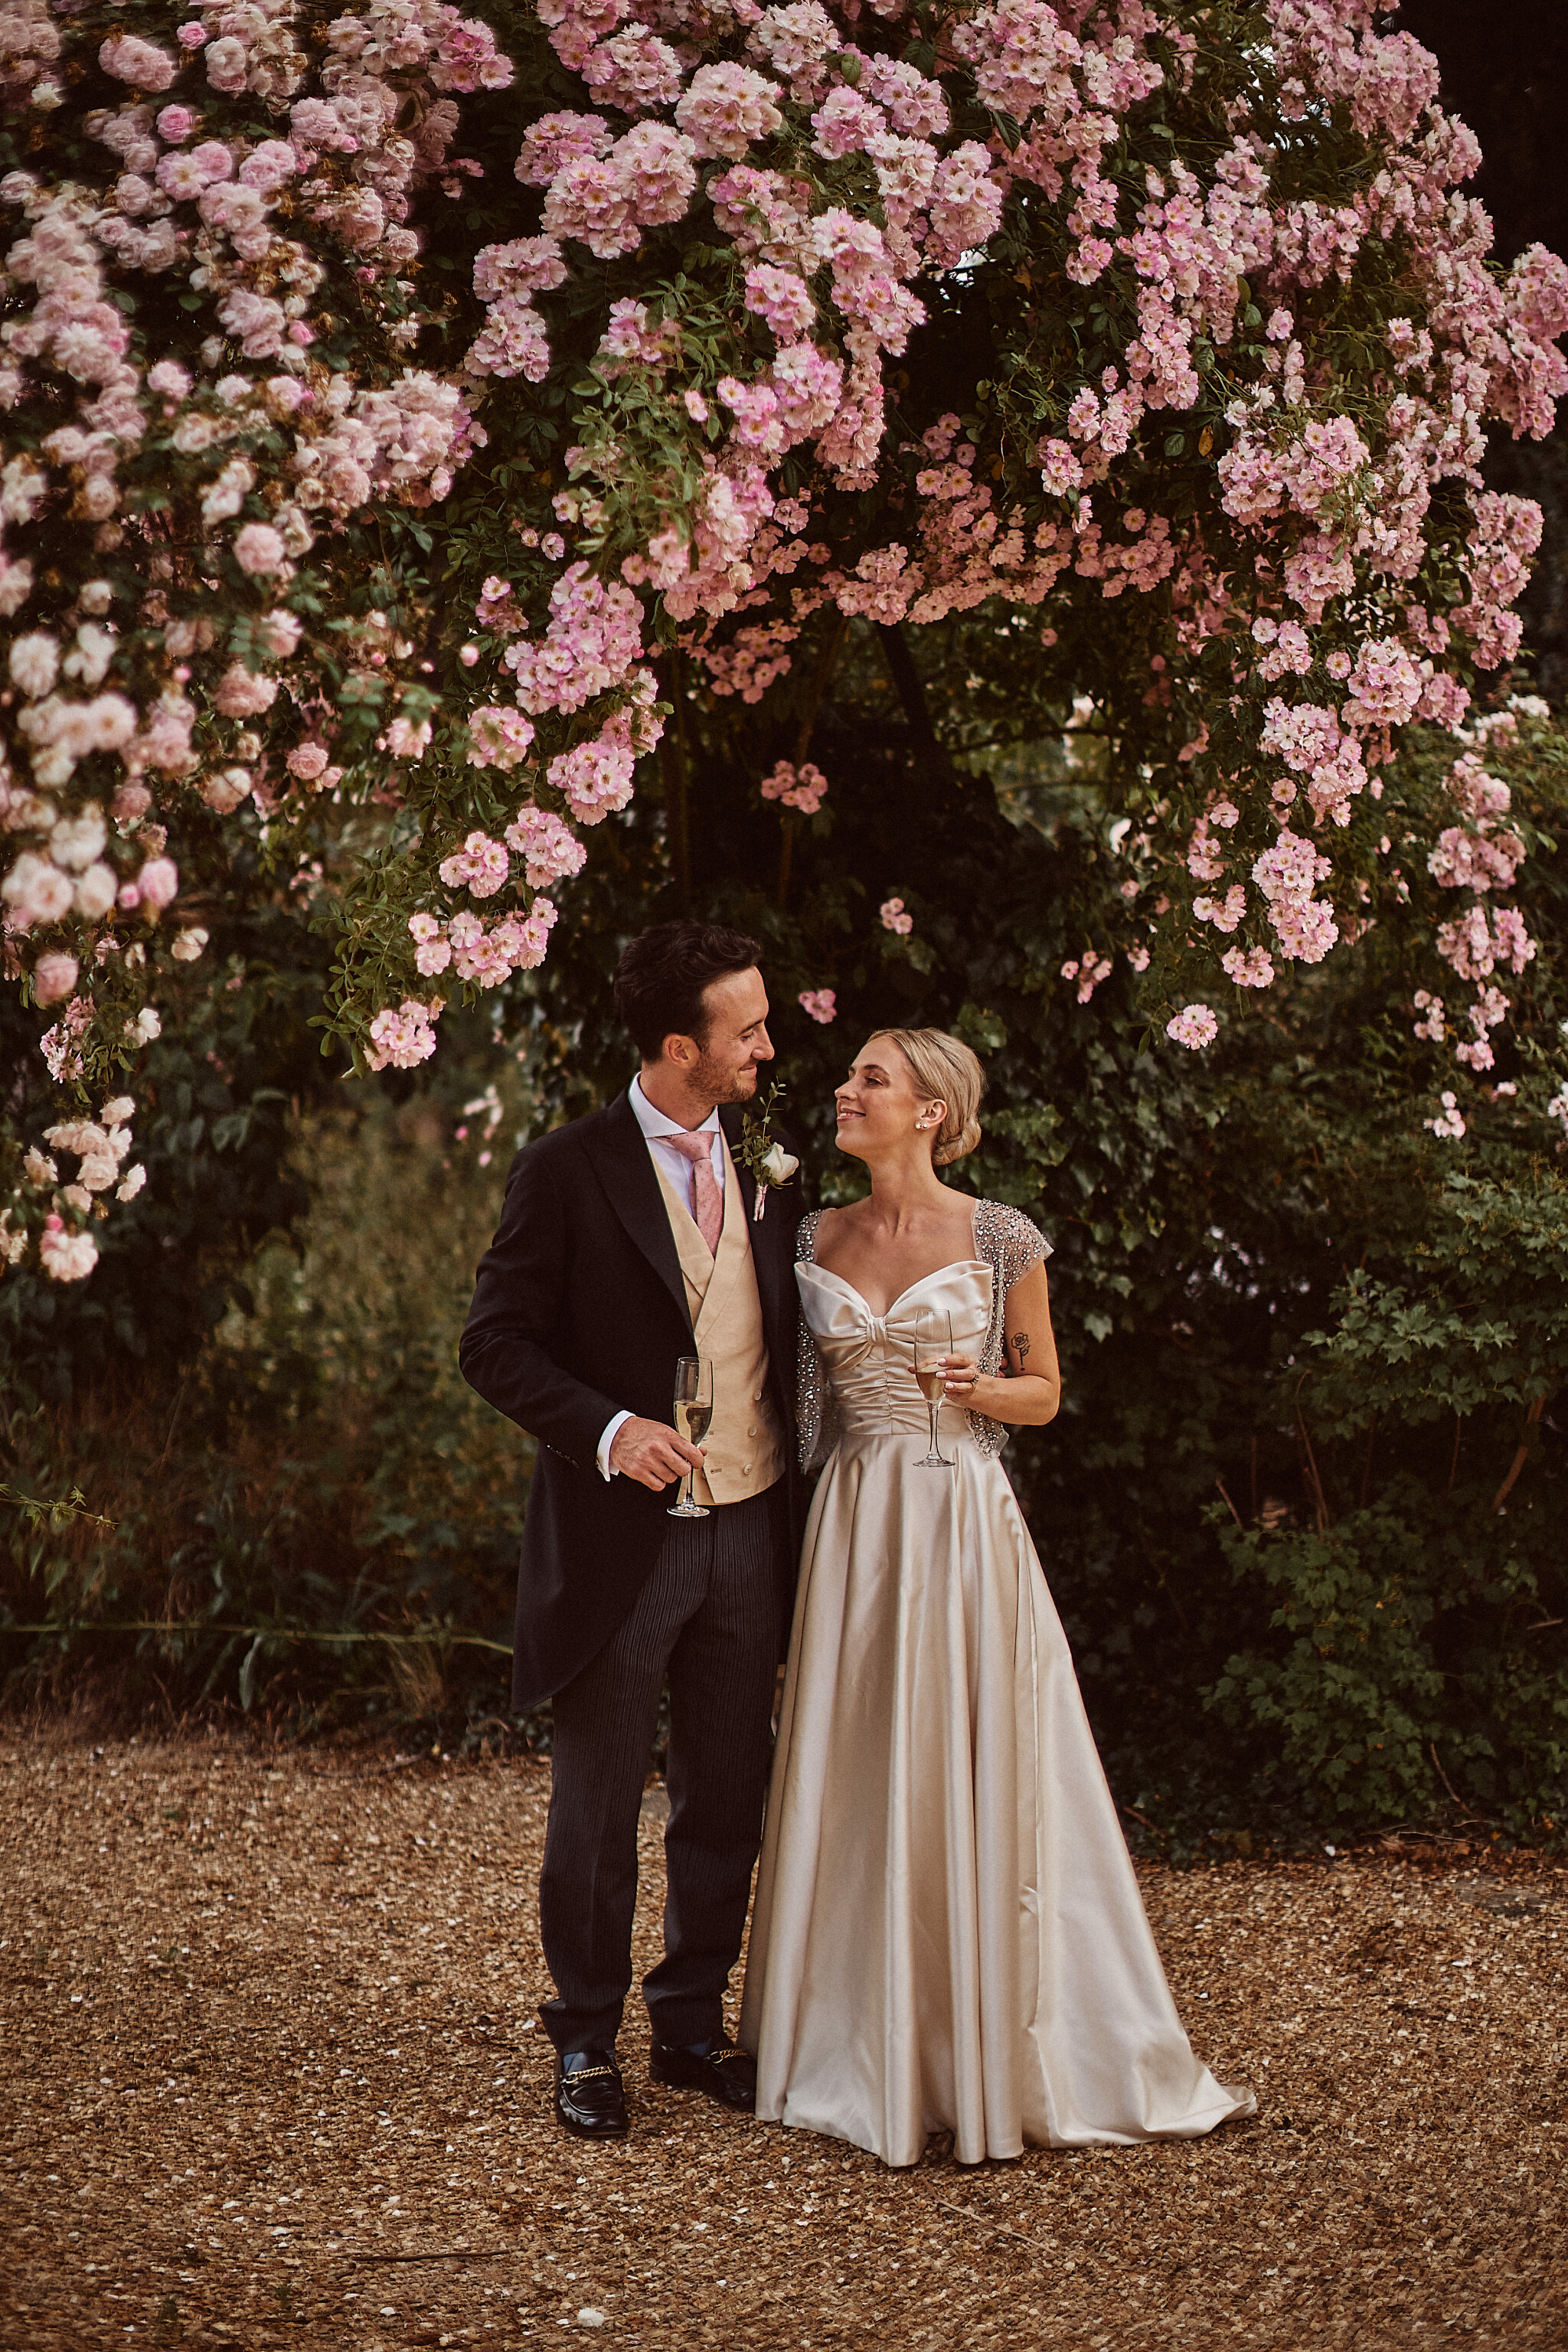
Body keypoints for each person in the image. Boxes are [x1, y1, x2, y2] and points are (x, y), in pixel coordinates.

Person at [739, 1027, 1253, 2167]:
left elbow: (1048, 1394)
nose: (846, 1090)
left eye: (872, 1077)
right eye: (851, 1074)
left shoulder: (1002, 1235)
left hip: (961, 1519)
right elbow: (796, 1410)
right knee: (861, 1762)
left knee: (975, 1761)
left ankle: (992, 2042)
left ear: (932, 1109)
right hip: (855, 1525)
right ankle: (853, 2045)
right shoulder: (809, 1233)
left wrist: (985, 1388)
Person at [459, 922, 806, 2141]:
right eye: (748, 1029)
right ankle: (588, 2039)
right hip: (623, 1541)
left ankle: (693, 2023)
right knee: (600, 1804)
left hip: (752, 1528)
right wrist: (610, 1430)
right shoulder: (567, 1168)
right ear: (679, 1046)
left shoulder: (772, 1163)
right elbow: (493, 1345)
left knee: (728, 1790)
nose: (769, 1044)